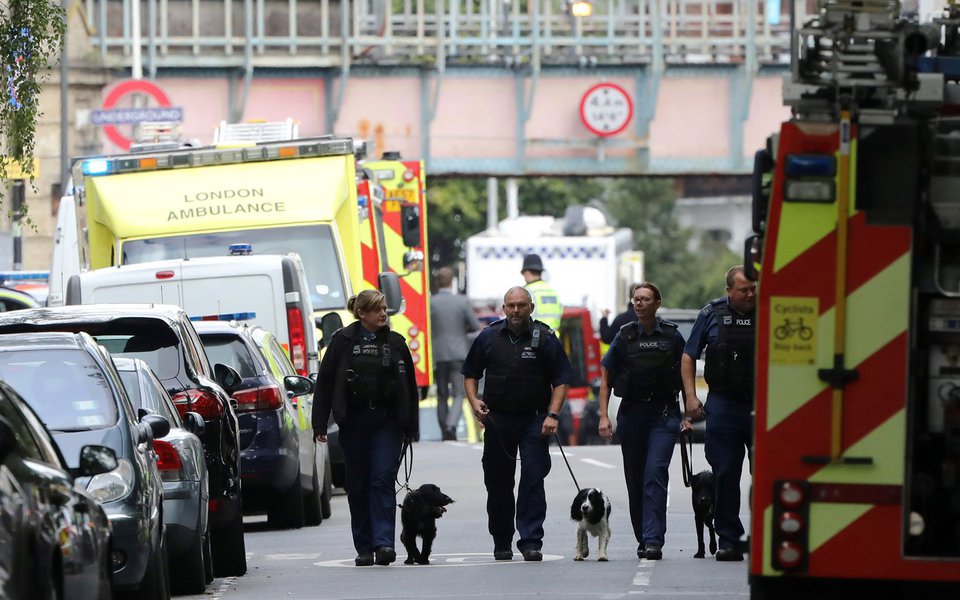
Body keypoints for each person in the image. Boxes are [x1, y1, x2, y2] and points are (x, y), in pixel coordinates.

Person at [462, 286, 574, 562]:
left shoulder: (545, 337)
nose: (515, 310)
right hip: (498, 421)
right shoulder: (488, 337)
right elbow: (470, 374)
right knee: (498, 481)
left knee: (533, 479)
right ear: (503, 308)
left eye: (521, 305)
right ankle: (502, 540)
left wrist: (553, 415)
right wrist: (474, 401)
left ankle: (531, 541)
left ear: (530, 308)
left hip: (535, 420)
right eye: (511, 305)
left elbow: (561, 381)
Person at [312, 289, 419, 567]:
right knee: (358, 484)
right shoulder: (342, 341)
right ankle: (364, 547)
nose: (384, 313)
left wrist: (410, 425)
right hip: (354, 422)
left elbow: (409, 388)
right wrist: (319, 423)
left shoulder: (396, 343)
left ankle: (384, 543)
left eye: (384, 308)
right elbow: (324, 383)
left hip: (387, 422)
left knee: (382, 479)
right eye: (377, 309)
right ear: (361, 313)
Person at [598, 282, 686, 561]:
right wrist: (603, 415)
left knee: (655, 474)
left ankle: (653, 540)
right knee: (635, 480)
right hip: (632, 413)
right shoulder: (624, 336)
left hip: (663, 414)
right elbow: (605, 378)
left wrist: (689, 407)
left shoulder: (672, 336)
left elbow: (686, 371)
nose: (639, 304)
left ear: (657, 303)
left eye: (645, 299)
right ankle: (643, 536)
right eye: (636, 299)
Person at [681, 265, 757, 562]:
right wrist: (690, 397)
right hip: (725, 405)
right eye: (744, 290)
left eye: (754, 288)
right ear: (729, 291)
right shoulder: (711, 314)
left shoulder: (772, 309)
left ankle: (766, 535)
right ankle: (728, 538)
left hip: (764, 405)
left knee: (765, 473)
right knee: (725, 474)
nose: (751, 294)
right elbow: (688, 355)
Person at [430, 267, 481, 441]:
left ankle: (444, 428)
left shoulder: (430, 302)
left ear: (437, 282)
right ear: (452, 282)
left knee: (441, 393)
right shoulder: (461, 301)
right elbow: (475, 326)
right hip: (459, 352)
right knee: (459, 392)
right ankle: (451, 426)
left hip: (438, 354)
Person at [521, 253, 562, 333]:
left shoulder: (526, 292)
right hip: (554, 341)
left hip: (534, 341)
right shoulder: (553, 292)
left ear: (527, 272)